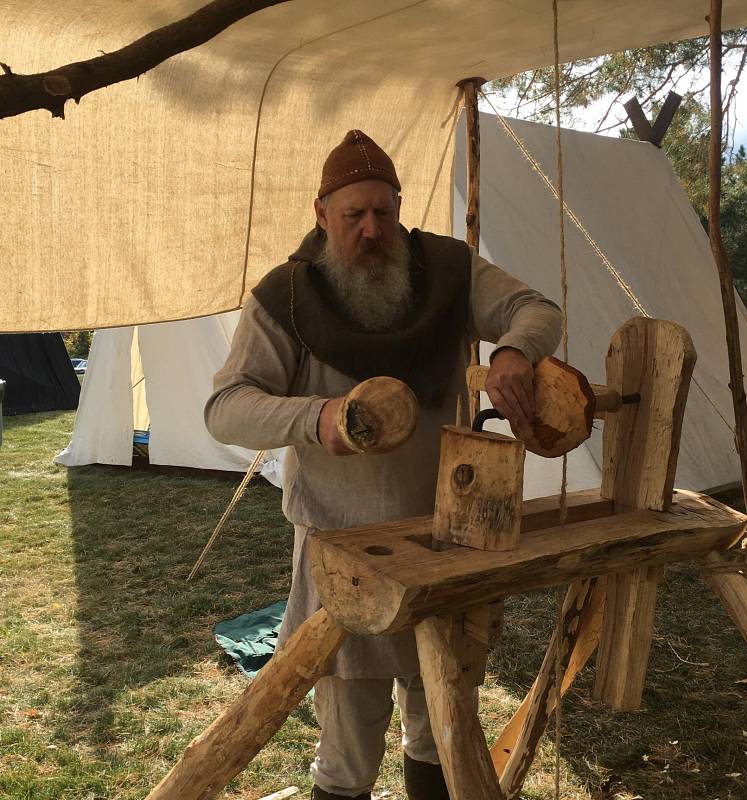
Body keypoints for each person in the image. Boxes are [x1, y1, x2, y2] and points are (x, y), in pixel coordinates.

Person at [205, 130, 563, 800]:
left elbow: (536, 309)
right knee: (349, 751)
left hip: (444, 540)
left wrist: (515, 350)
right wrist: (319, 419)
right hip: (343, 557)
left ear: (399, 209)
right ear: (321, 213)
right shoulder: (284, 296)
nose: (372, 230)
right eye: (353, 216)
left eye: (384, 213)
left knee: (443, 735)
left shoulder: (449, 273)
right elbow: (225, 408)